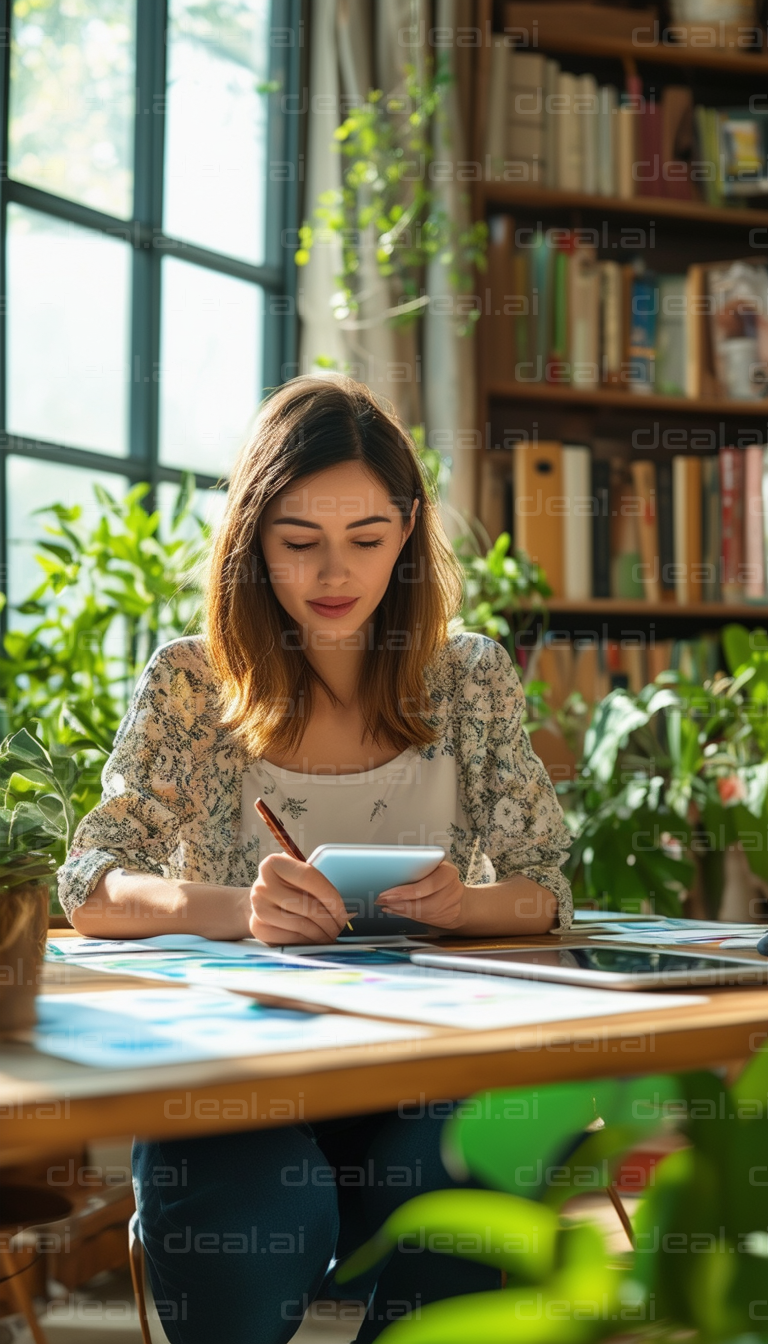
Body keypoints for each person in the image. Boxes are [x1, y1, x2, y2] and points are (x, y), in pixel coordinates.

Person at [58, 375, 573, 1344]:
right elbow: (92, 882)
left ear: (409, 530)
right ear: (253, 537)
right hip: (231, 1085)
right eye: (299, 543)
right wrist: (235, 910)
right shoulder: (188, 681)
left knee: (484, 1165)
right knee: (251, 1223)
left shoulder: (469, 680)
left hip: (421, 1077)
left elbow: (546, 885)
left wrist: (466, 906)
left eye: (367, 541)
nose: (334, 573)